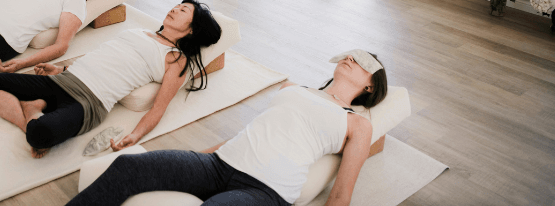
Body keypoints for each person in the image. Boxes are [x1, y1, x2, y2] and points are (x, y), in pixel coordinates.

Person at [66, 50, 389, 206]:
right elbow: (257, 130)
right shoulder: (292, 88)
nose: (351, 57)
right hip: (218, 165)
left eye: (362, 61)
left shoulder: (357, 124)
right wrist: (192, 160)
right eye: (349, 54)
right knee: (127, 165)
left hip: (265, 190)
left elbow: (342, 193)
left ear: (371, 86)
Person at [0, 0, 222, 158]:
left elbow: (160, 107)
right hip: (63, 80)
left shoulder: (176, 59)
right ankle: (30, 112)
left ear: (192, 29)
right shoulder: (139, 31)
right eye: (177, 5)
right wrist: (60, 70)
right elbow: (101, 56)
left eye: (183, 10)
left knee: (40, 134)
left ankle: (33, 110)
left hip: (89, 103)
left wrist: (135, 136)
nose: (174, 9)